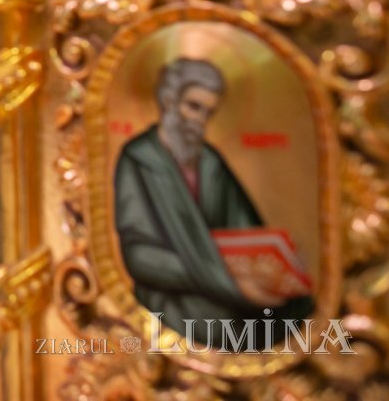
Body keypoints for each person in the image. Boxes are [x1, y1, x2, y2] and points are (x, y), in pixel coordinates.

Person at [113, 58, 314, 348]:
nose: (199, 120)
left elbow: (244, 234)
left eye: (208, 112)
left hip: (228, 284)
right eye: (193, 106)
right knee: (229, 327)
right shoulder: (139, 159)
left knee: (298, 308)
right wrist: (222, 281)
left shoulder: (210, 162)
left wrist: (277, 265)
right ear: (169, 100)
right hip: (176, 293)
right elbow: (140, 257)